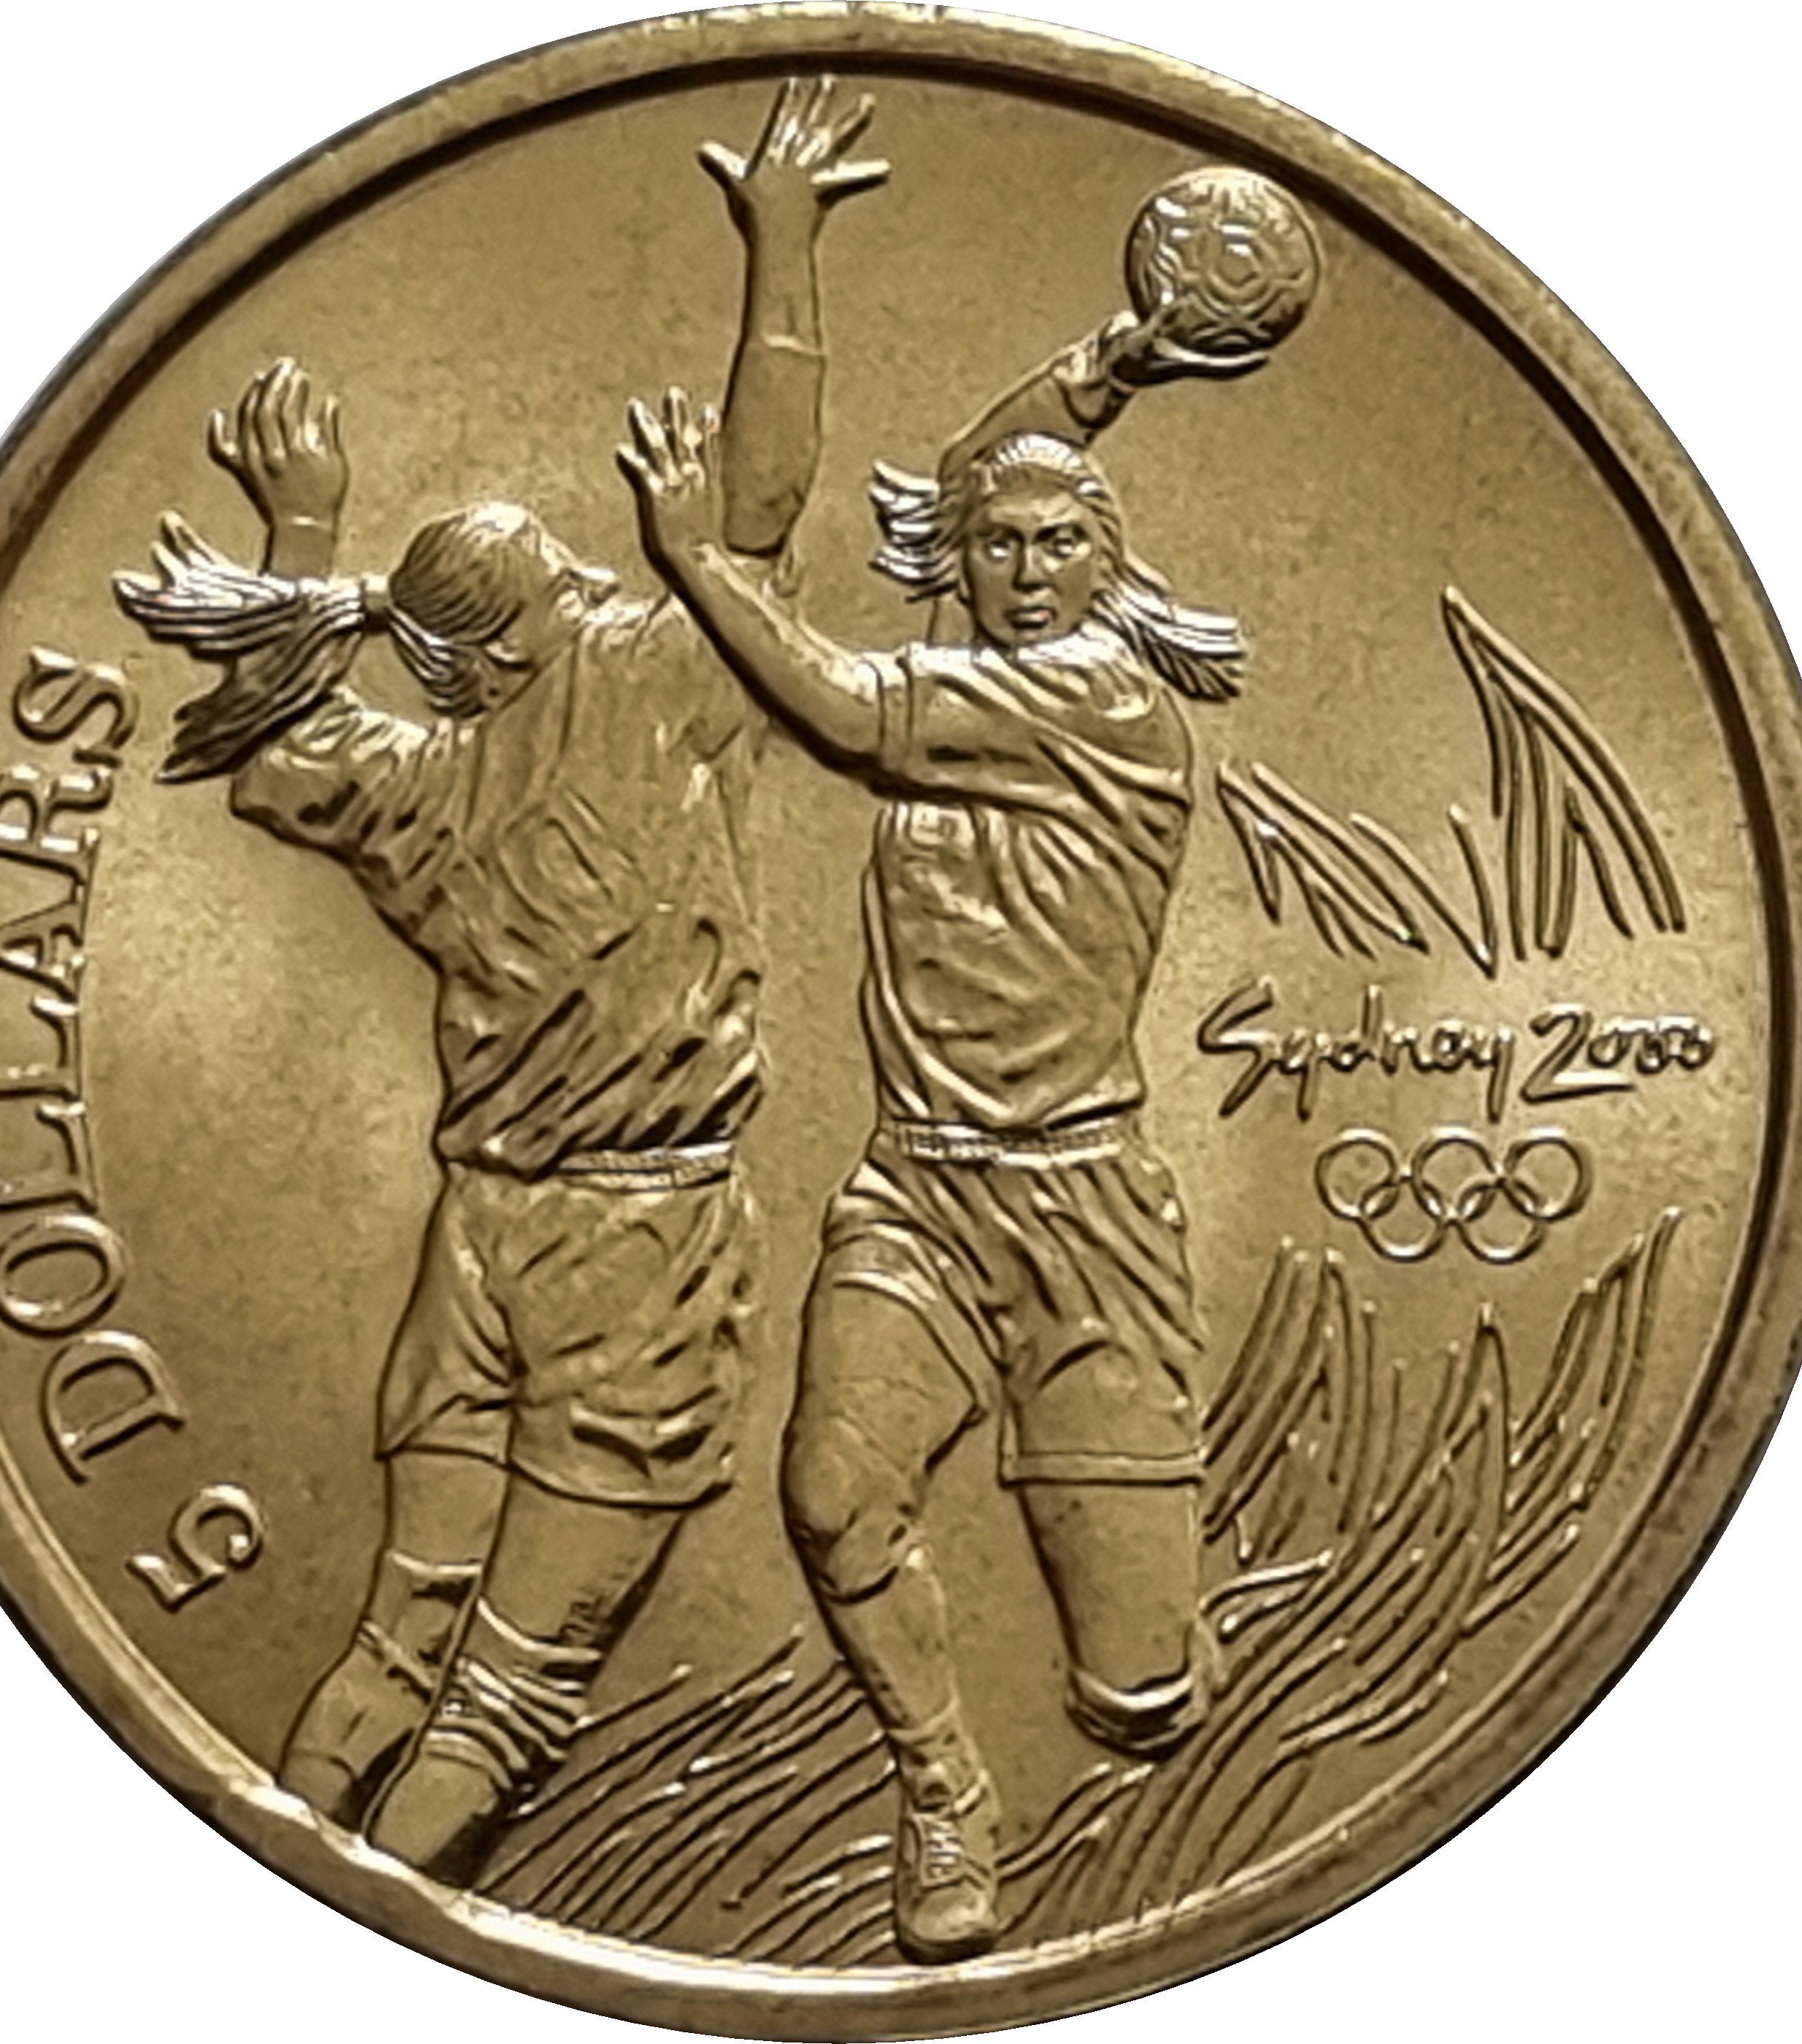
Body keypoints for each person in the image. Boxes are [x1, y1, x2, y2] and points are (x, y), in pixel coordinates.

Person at [115, 77, 887, 1889]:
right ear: (526, 641)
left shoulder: (403, 788)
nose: (599, 589)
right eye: (568, 584)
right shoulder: (642, 691)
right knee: (512, 1694)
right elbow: (763, 502)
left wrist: (305, 535)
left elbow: (274, 740)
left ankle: (282, 1889)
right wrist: (781, 245)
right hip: (639, 1248)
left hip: (478, 1241)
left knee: (398, 1636)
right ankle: (360, 1948)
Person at [616, 311, 1243, 1960]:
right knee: (833, 1496)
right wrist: (1114, 358)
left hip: (1085, 1211)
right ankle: (943, 1784)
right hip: (918, 1193)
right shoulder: (980, 647)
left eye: (1058, 545)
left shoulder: (1095, 701)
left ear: (1107, 565)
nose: (1024, 571)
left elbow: (833, 701)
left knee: (1141, 1698)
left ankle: (1158, 1635)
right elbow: (978, 472)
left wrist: (695, 555)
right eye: (997, 546)